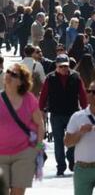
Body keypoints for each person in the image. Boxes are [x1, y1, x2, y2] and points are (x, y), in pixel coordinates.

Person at [39, 54, 88, 176]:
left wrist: (85, 110)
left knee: (72, 140)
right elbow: (43, 96)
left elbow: (82, 94)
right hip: (56, 114)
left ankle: (71, 159)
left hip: (72, 114)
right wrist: (41, 110)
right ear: (56, 66)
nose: (64, 69)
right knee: (58, 142)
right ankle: (60, 166)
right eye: (61, 66)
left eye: (65, 66)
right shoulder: (50, 78)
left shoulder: (76, 77)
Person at [0, 63, 45, 195]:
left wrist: (38, 147)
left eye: (13, 74)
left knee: (18, 192)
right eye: (8, 72)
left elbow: (40, 124)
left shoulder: (28, 99)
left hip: (24, 153)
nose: (8, 75)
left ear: (21, 82)